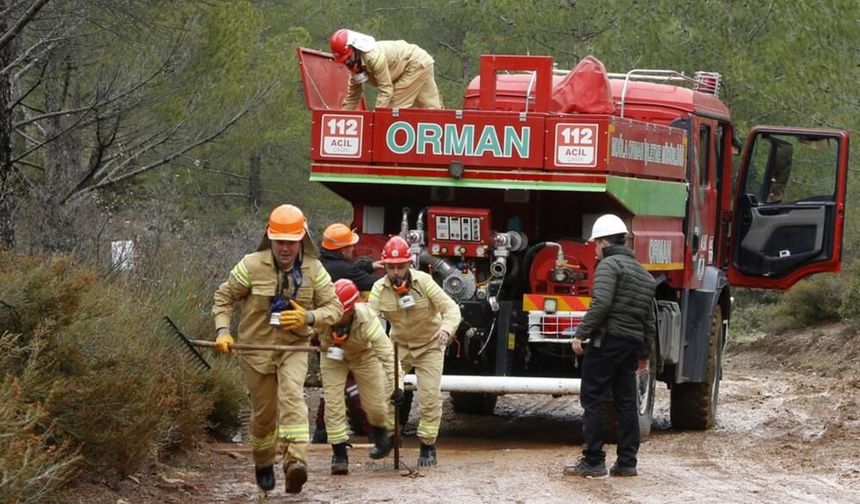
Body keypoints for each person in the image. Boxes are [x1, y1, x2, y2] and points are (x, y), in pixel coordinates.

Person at [212, 204, 343, 494]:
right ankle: (263, 462)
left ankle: (295, 463)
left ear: (302, 240)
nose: (285, 248)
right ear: (269, 238)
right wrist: (223, 331)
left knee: (293, 398)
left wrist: (309, 317)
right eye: (279, 241)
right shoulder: (250, 266)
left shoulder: (314, 269)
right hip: (255, 351)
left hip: (293, 347)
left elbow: (335, 308)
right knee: (264, 415)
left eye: (291, 242)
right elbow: (224, 298)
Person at [565, 214, 656, 478]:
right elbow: (649, 320)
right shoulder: (642, 273)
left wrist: (581, 333)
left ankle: (593, 460)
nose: (594, 249)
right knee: (626, 403)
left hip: (607, 342)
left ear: (604, 242)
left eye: (595, 243)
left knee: (593, 398)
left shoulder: (608, 265)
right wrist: (644, 353)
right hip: (630, 345)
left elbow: (601, 304)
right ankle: (627, 462)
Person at [368, 236, 461, 467]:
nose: (396, 272)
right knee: (387, 393)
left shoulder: (424, 282)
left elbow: (451, 309)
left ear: (409, 264)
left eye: (401, 267)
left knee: (429, 397)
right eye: (391, 267)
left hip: (430, 345)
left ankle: (427, 445)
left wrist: (446, 330)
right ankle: (389, 438)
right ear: (384, 266)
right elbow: (370, 322)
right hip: (398, 347)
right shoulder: (379, 289)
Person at [317, 278, 396, 475]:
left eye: (340, 312)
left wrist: (398, 385)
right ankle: (339, 454)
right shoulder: (323, 316)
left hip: (364, 356)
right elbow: (301, 331)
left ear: (351, 309)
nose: (335, 316)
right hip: (332, 357)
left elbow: (387, 354)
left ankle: (382, 437)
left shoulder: (367, 319)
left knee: (375, 403)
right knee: (333, 404)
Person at [312, 223, 380, 443]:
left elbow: (355, 269)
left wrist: (369, 265)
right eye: (350, 245)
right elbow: (374, 284)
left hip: (321, 332)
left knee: (333, 381)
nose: (353, 248)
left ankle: (323, 429)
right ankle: (372, 429)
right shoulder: (343, 270)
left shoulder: (320, 265)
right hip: (338, 334)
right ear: (342, 249)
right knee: (352, 381)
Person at [329, 28, 442, 110]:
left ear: (354, 49)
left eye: (348, 58)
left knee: (393, 109)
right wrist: (341, 120)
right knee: (432, 109)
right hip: (420, 62)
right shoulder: (355, 67)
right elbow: (353, 97)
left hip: (415, 63)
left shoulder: (373, 58)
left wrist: (376, 118)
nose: (347, 63)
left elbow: (386, 90)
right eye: (343, 61)